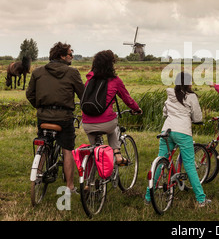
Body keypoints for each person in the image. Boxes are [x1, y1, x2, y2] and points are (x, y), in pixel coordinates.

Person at [145, 72, 211, 207]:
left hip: (167, 131)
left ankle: (148, 197)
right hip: (182, 132)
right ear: (188, 83)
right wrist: (194, 120)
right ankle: (200, 199)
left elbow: (165, 112)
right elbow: (197, 117)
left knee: (161, 162)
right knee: (189, 165)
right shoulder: (191, 96)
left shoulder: (170, 95)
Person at [26, 42, 85, 193]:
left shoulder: (38, 72)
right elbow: (82, 94)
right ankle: (70, 186)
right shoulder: (72, 73)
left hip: (43, 116)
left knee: (43, 143)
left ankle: (38, 174)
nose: (72, 56)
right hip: (64, 117)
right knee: (67, 149)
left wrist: (40, 107)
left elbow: (30, 95)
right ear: (62, 56)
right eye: (71, 54)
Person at [81, 50, 142, 165]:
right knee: (114, 125)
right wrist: (137, 109)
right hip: (107, 124)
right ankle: (117, 153)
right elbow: (127, 99)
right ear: (111, 64)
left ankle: (90, 177)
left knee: (94, 150)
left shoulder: (89, 80)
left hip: (87, 124)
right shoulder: (115, 81)